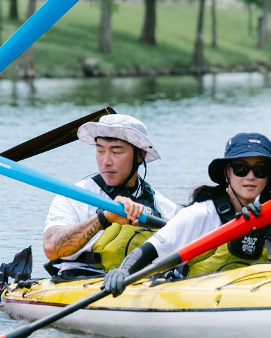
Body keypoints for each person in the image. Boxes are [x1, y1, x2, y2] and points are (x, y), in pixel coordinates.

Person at [102, 133, 271, 297]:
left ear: (268, 177)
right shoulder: (200, 214)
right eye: (241, 169)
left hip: (240, 296)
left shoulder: (265, 220)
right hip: (192, 296)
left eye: (260, 170)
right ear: (226, 173)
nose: (250, 177)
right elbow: (149, 250)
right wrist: (123, 271)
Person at [42, 114, 178, 279]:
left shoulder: (164, 207)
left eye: (116, 152)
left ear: (140, 155)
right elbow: (51, 249)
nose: (105, 161)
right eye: (100, 151)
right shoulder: (74, 197)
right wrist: (104, 218)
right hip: (81, 281)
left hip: (142, 283)